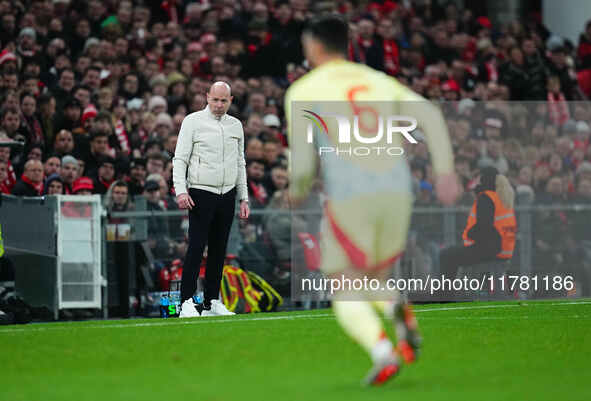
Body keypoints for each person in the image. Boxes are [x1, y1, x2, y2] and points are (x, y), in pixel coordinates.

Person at [285, 15, 460, 385]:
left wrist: (297, 190)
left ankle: (383, 351)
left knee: (342, 282)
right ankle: (397, 308)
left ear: (314, 47)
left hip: (351, 190)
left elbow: (302, 164)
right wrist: (445, 171)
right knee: (372, 276)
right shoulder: (377, 80)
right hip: (397, 187)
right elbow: (430, 113)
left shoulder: (303, 90)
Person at [173, 81, 250, 318]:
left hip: (227, 194)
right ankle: (186, 301)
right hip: (200, 192)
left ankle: (211, 302)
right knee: (196, 247)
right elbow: (180, 159)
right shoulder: (192, 122)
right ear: (207, 97)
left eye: (223, 100)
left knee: (219, 250)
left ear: (231, 101)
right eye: (215, 99)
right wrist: (180, 190)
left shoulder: (236, 125)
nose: (218, 105)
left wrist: (243, 197)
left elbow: (240, 163)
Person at [439, 167, 517, 281]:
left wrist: (470, 233)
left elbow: (484, 227)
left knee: (446, 255)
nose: (474, 181)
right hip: (504, 250)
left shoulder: (486, 197)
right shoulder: (502, 197)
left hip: (489, 250)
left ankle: (444, 295)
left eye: (477, 178)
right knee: (453, 253)